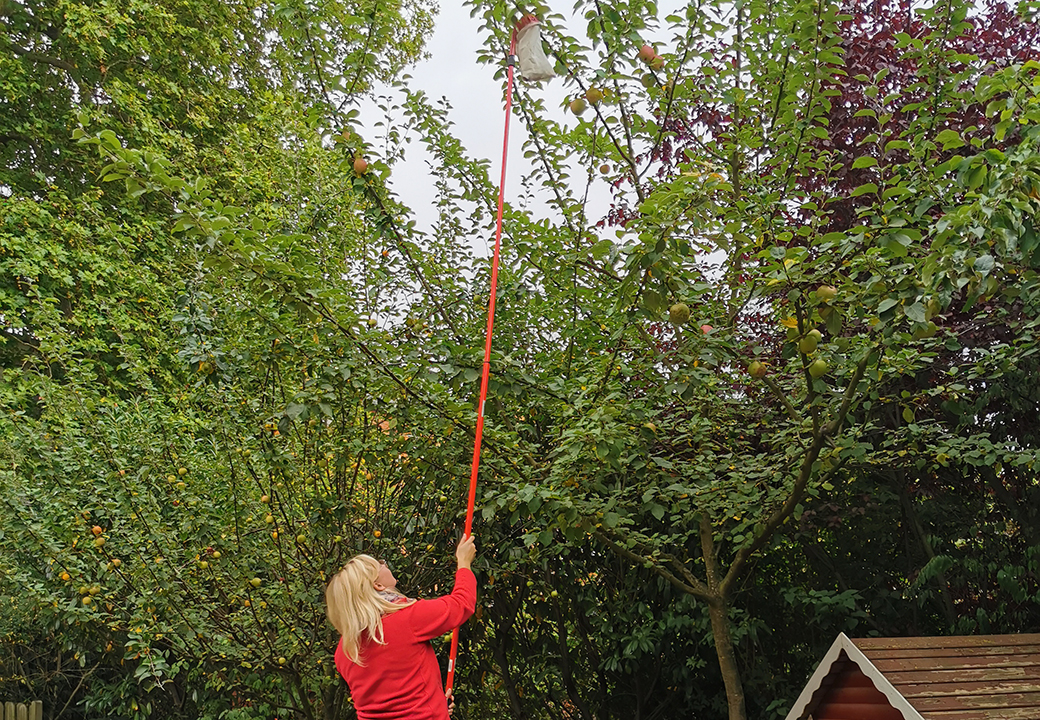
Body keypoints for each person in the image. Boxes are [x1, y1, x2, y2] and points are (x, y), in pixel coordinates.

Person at [326, 535, 477, 720]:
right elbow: (461, 605)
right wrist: (464, 563)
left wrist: (435, 703)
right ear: (378, 585)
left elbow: (390, 697)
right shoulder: (406, 619)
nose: (383, 563)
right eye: (379, 564)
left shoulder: (344, 651)